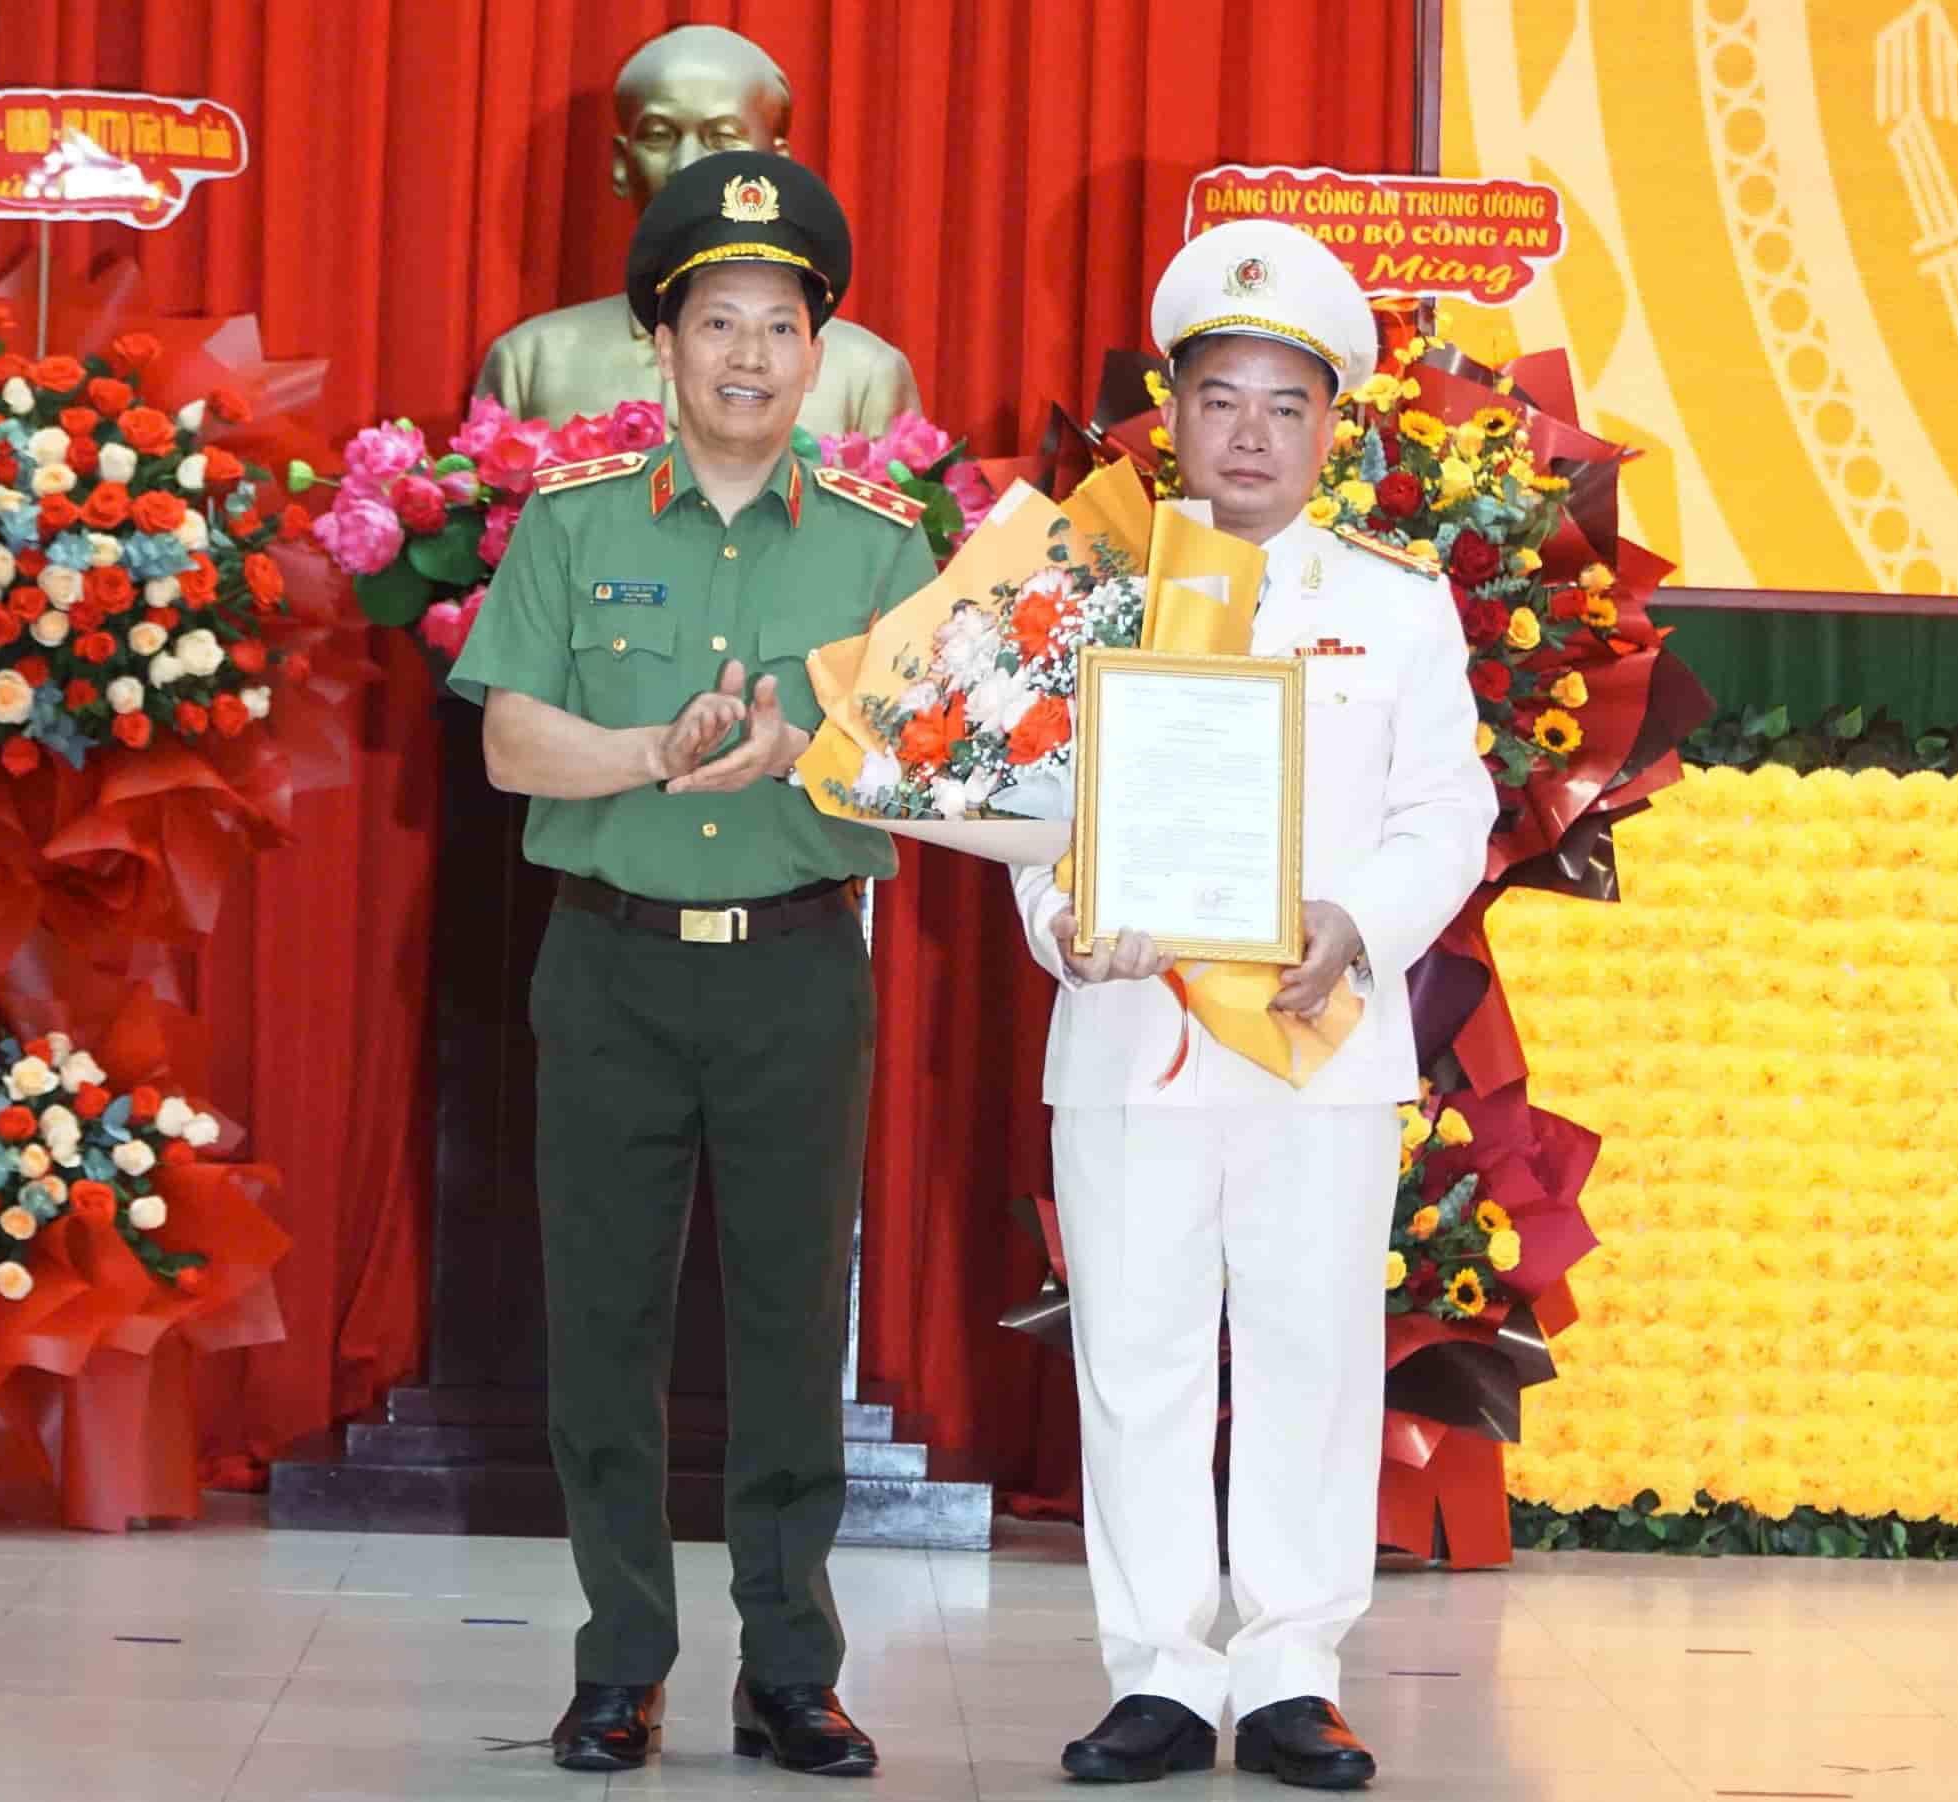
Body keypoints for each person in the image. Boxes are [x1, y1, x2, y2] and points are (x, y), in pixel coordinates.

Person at [447, 149, 939, 1780]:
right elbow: (511, 740)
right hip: (611, 973)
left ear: (819, 354)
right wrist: (652, 752)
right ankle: (621, 1664)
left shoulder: (882, 549)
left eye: (780, 325)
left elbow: (931, 766)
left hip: (798, 973)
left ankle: (791, 1673)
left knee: (793, 1332)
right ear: (659, 344)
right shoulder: (571, 524)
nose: (749, 355)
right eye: (717, 321)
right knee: (601, 1328)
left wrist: (817, 748)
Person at [1011, 220, 1498, 1789]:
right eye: (1219, 400)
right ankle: (1159, 1673)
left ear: (1331, 425)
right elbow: (1026, 807)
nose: (1249, 435)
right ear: (1172, 413)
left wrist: (1361, 923)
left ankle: (1292, 1671)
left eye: (1286, 406)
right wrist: (1062, 922)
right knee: (1137, 1355)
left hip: (1315, 1041)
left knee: (1312, 1353)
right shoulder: (1094, 594)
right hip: (1132, 1035)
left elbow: (1449, 811)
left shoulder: (1396, 605)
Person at [474, 24, 920, 436]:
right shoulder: (530, 364)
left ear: (776, 163)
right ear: (621, 164)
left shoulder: (865, 377)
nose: (686, 165)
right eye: (659, 136)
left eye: (722, 137)